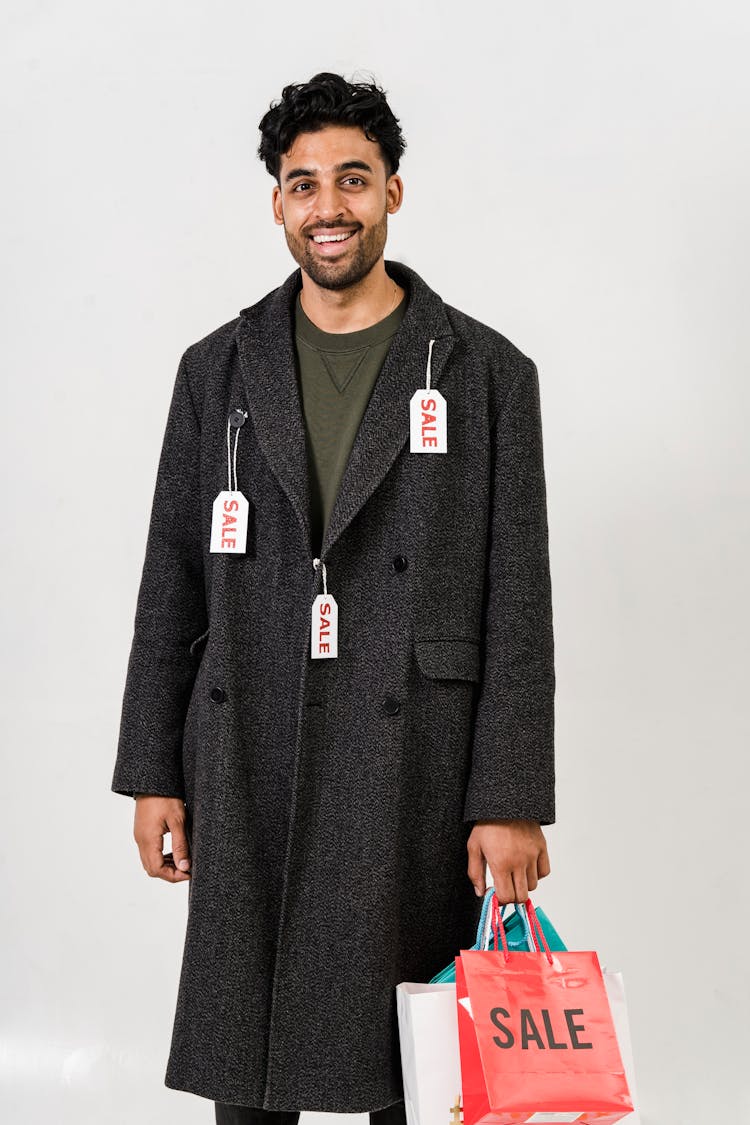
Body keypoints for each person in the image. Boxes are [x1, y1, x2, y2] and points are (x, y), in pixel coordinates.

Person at [112, 71, 556, 1124]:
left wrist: (512, 794)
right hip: (248, 734)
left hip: (420, 753)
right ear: (276, 202)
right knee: (251, 1049)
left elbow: (518, 596)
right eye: (303, 185)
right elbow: (171, 578)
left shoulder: (490, 374)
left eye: (352, 180)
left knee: (416, 1057)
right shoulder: (214, 370)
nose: (329, 208)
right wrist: (152, 771)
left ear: (393, 192)